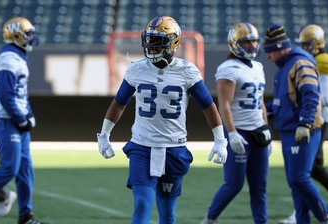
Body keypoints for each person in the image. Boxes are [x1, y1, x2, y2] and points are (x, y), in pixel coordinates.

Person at [96, 15, 228, 224]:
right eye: (149, 40)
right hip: (142, 146)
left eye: (158, 41)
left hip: (173, 148)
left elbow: (208, 106)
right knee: (142, 205)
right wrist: (104, 135)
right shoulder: (137, 69)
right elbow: (119, 102)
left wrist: (220, 140)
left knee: (168, 214)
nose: (151, 46)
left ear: (174, 43)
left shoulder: (186, 71)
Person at [200, 22, 271, 224]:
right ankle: (209, 219)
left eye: (253, 42)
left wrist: (266, 126)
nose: (251, 46)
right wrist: (231, 133)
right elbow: (224, 106)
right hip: (240, 133)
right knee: (234, 184)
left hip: (259, 133)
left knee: (260, 186)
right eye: (246, 42)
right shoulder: (228, 69)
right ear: (234, 44)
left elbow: (260, 102)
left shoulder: (258, 66)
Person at [264, 24, 328, 224]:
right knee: (295, 183)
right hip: (288, 130)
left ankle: (325, 213)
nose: (268, 57)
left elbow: (312, 96)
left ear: (279, 47)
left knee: (299, 178)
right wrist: (260, 109)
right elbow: (282, 103)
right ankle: (303, 220)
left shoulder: (300, 63)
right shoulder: (283, 68)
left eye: (270, 52)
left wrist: (305, 124)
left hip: (302, 130)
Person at [0, 17, 45, 224]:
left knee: (25, 169)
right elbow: (5, 95)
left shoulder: (18, 57)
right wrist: (21, 118)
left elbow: (20, 94)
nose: (31, 37)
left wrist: (28, 114)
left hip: (16, 119)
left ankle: (26, 215)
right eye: (28, 33)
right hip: (6, 119)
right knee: (10, 167)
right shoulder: (8, 59)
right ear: (16, 35)